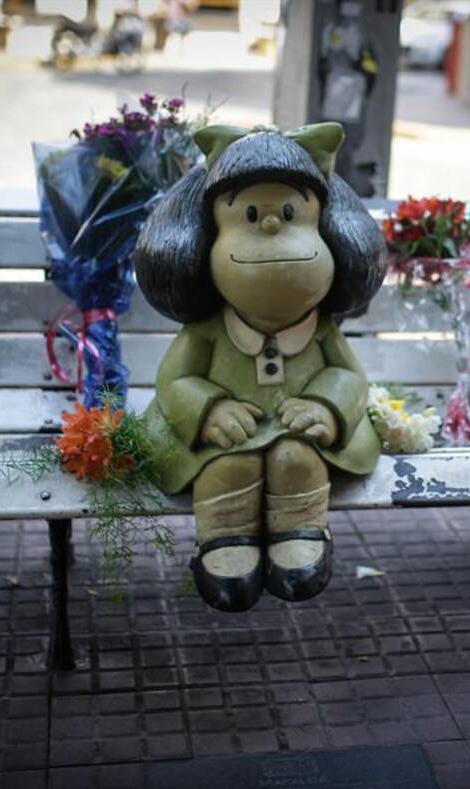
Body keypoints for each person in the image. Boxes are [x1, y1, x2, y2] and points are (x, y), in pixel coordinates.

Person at [133, 123, 385, 612]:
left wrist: (327, 407)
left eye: (290, 213)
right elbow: (174, 380)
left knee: (298, 459)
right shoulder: (208, 330)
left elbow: (350, 375)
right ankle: (225, 539)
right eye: (250, 215)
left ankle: (302, 531)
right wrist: (206, 411)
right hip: (221, 440)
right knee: (228, 466)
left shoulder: (322, 329)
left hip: (302, 435)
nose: (271, 228)